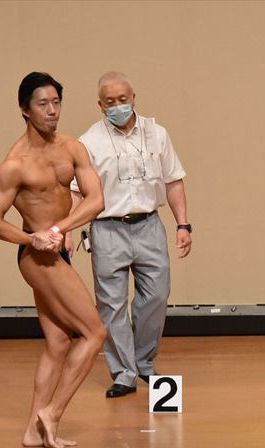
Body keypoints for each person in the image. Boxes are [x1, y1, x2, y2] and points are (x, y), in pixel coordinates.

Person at [0, 72, 106, 448]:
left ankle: (33, 432)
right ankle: (52, 413)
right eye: (42, 104)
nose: (52, 111)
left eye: (56, 102)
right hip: (37, 257)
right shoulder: (13, 165)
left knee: (58, 342)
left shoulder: (72, 148)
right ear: (25, 109)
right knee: (95, 333)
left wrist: (59, 229)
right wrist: (33, 238)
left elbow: (96, 200)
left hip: (58, 249)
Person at [68, 71, 192, 398]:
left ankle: (143, 361)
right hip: (107, 228)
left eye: (123, 99)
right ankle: (124, 372)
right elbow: (77, 191)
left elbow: (173, 180)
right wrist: (67, 229)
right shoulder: (88, 142)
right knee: (111, 304)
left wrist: (183, 224)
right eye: (110, 102)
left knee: (156, 295)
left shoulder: (157, 134)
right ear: (100, 105)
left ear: (134, 97)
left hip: (149, 224)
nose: (118, 106)